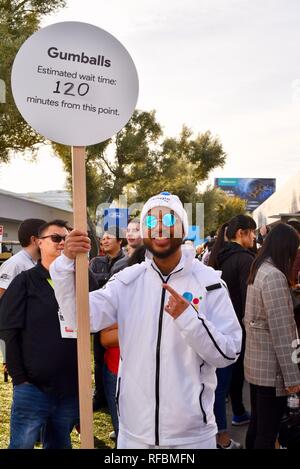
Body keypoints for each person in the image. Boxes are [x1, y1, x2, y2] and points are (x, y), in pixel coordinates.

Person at [51, 192, 242, 449]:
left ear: (183, 229)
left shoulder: (209, 283)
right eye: (151, 222)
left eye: (169, 220)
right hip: (134, 436)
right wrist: (65, 265)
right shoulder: (127, 281)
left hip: (191, 438)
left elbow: (228, 353)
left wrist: (189, 319)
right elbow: (79, 318)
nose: (159, 228)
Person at [0, 220, 80, 449]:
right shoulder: (25, 281)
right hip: (32, 387)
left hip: (70, 388)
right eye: (56, 238)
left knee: (59, 444)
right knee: (21, 445)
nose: (62, 243)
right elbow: (7, 328)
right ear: (39, 243)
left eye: (66, 238)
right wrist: (20, 379)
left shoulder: (82, 279)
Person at [244, 223, 300, 449]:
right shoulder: (274, 276)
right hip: (271, 371)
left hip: (257, 365)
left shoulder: (260, 269)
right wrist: (293, 378)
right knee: (266, 433)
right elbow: (282, 331)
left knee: (258, 426)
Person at [209, 215, 256, 449]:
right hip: (235, 330)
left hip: (214, 329)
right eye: (252, 232)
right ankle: (221, 437)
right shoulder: (245, 260)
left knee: (218, 385)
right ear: (241, 233)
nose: (255, 237)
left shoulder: (216, 257)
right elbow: (249, 300)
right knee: (223, 384)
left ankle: (223, 428)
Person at [0, 218, 46, 383]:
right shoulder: (16, 264)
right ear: (35, 239)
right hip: (17, 335)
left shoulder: (33, 262)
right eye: (46, 236)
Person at [89, 226, 126, 412]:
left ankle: (114, 394)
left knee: (116, 358)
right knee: (98, 358)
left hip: (118, 319)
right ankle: (100, 395)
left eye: (109, 237)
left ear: (120, 241)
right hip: (99, 316)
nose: (104, 241)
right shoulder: (95, 262)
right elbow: (92, 287)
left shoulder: (127, 262)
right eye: (102, 238)